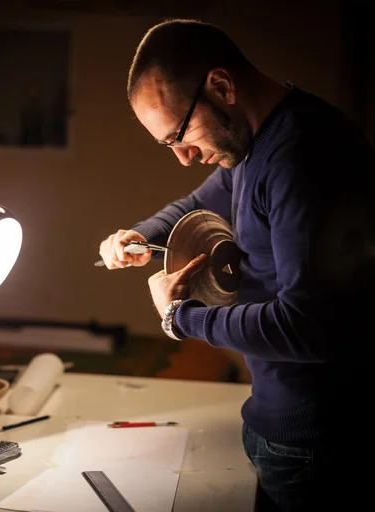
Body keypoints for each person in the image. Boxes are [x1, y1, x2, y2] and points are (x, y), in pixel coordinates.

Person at [97, 18, 375, 512]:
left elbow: (310, 326)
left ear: (221, 86)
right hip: (276, 420)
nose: (183, 157)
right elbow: (198, 204)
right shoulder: (250, 141)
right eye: (167, 146)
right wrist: (140, 235)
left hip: (316, 441)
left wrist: (180, 317)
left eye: (180, 135)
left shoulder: (303, 158)